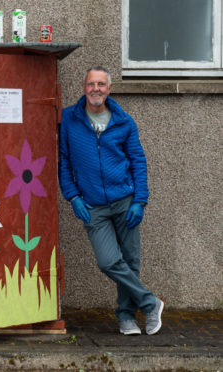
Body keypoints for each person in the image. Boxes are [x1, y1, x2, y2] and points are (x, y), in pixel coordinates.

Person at [58, 66, 164, 336]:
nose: (96, 89)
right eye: (91, 83)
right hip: (92, 206)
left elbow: (139, 161)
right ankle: (151, 303)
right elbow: (64, 161)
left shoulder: (123, 121)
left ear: (109, 89)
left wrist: (140, 200)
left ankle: (127, 317)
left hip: (124, 201)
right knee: (108, 261)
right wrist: (72, 197)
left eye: (101, 84)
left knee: (130, 260)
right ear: (84, 88)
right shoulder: (69, 118)